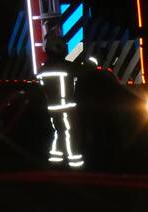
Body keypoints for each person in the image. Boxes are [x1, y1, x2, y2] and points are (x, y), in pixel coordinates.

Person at [38, 20, 84, 168]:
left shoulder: (44, 70)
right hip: (66, 107)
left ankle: (56, 158)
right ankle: (74, 160)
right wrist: (93, 62)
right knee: (70, 133)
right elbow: (81, 72)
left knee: (59, 131)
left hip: (52, 108)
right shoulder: (66, 67)